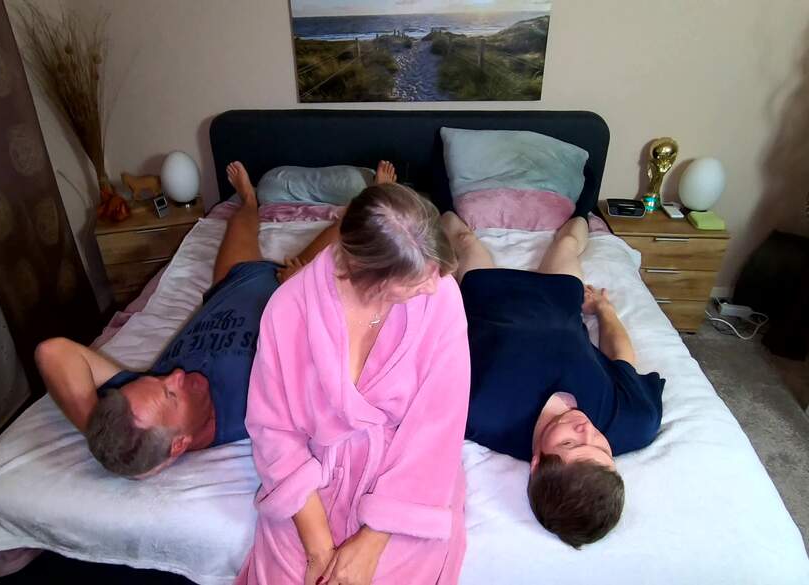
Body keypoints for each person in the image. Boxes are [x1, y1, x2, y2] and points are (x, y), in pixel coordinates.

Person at [34, 160, 397, 478]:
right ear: (180, 445)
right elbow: (341, 352)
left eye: (158, 379)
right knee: (351, 231)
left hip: (230, 285)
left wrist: (105, 442)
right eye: (172, 394)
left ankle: (249, 199)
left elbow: (52, 352)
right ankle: (376, 193)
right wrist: (301, 288)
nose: (174, 373)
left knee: (240, 223)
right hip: (293, 288)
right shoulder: (253, 411)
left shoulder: (139, 408)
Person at [237, 183, 471, 585]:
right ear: (369, 276)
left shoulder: (442, 298)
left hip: (409, 478)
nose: (433, 285)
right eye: (416, 280)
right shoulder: (288, 309)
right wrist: (319, 550)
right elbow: (273, 431)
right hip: (313, 483)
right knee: (291, 575)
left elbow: (437, 430)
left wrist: (372, 541)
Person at [440, 211, 665, 549]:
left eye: (570, 444)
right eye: (602, 448)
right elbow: (622, 361)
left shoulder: (480, 413)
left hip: (490, 298)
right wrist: (604, 309)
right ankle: (585, 206)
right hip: (560, 300)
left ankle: (439, 202)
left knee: (465, 240)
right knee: (568, 241)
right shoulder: (635, 422)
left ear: (536, 464)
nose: (586, 430)